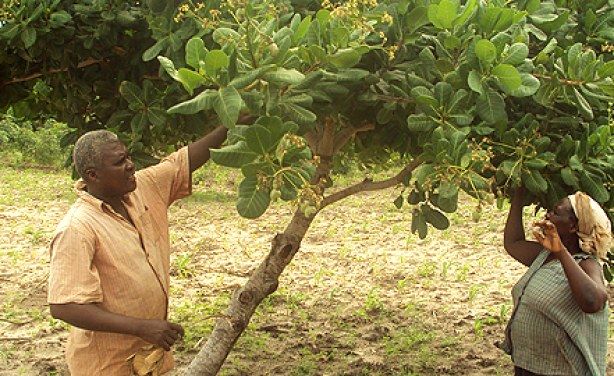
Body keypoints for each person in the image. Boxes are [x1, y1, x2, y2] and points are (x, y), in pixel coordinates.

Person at [47, 125, 228, 375]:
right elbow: (65, 306)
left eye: (128, 156)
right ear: (93, 175)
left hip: (149, 359)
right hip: (107, 366)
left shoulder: (140, 189)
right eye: (120, 162)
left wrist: (230, 124)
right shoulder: (77, 228)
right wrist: (141, 327)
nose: (131, 165)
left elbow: (181, 163)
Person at [501, 187, 611, 376]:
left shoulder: (587, 264)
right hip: (528, 366)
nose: (547, 215)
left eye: (555, 212)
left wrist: (560, 251)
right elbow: (513, 242)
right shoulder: (544, 256)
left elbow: (593, 301)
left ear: (572, 227)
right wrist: (518, 195)